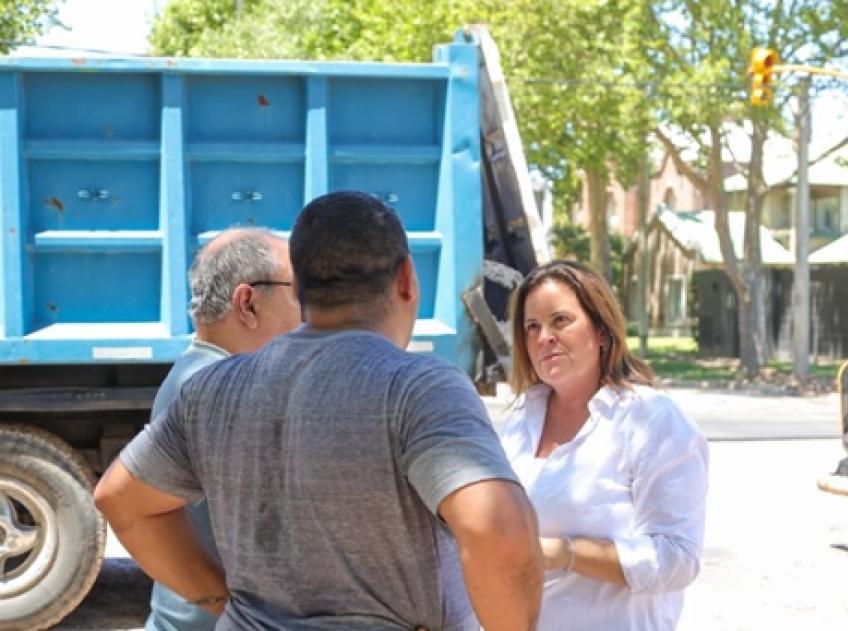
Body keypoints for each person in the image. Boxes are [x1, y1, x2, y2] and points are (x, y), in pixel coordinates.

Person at [95, 191, 543, 630]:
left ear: (303, 290)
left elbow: (121, 500)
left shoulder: (212, 391)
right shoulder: (419, 386)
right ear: (406, 279)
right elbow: (495, 530)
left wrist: (227, 602)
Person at [498, 260, 709, 630]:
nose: (543, 337)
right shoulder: (516, 423)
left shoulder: (652, 420)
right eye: (532, 327)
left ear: (601, 330)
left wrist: (566, 553)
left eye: (560, 320)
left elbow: (678, 558)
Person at [145, 227, 301, 631]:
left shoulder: (193, 372)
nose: (309, 310)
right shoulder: (224, 390)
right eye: (297, 291)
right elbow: (124, 502)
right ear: (247, 302)